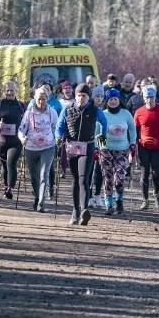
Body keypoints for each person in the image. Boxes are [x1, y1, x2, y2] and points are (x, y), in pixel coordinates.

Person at [56, 83, 107, 225]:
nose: (81, 98)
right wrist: (58, 138)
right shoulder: (68, 109)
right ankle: (75, 211)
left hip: (88, 146)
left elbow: (104, 124)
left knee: (83, 178)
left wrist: (101, 142)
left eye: (84, 96)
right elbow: (59, 126)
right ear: (75, 96)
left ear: (88, 97)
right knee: (75, 179)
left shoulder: (95, 110)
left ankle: (84, 211)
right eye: (79, 95)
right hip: (72, 147)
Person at [18, 87, 59, 212]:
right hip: (31, 147)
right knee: (34, 176)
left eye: (44, 99)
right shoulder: (29, 112)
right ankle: (37, 197)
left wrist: (58, 138)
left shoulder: (52, 112)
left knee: (44, 174)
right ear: (35, 99)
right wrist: (22, 138)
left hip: (48, 147)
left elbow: (56, 128)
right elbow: (21, 129)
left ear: (47, 99)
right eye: (39, 99)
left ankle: (41, 202)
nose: (41, 102)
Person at [133, 85, 159, 210]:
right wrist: (133, 147)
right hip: (143, 146)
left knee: (156, 173)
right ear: (143, 98)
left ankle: (156, 193)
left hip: (158, 146)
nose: (149, 100)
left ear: (155, 97)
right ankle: (145, 200)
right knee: (144, 173)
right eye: (147, 97)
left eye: (151, 97)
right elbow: (136, 131)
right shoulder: (139, 112)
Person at [100, 88, 137, 215]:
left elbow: (132, 129)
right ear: (107, 101)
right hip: (106, 150)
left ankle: (119, 201)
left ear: (119, 100)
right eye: (110, 99)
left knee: (119, 178)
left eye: (115, 99)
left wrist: (132, 143)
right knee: (108, 178)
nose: (113, 101)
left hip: (122, 149)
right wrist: (99, 147)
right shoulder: (103, 114)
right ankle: (109, 204)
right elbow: (99, 131)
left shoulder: (126, 114)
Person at [0, 81, 25, 199]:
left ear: (16, 91)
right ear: (4, 91)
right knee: (4, 165)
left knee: (11, 163)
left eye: (12, 90)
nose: (10, 93)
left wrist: (24, 135)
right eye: (8, 90)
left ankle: (10, 188)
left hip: (16, 141)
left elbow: (27, 121)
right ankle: (6, 186)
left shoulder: (20, 106)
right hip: (1, 140)